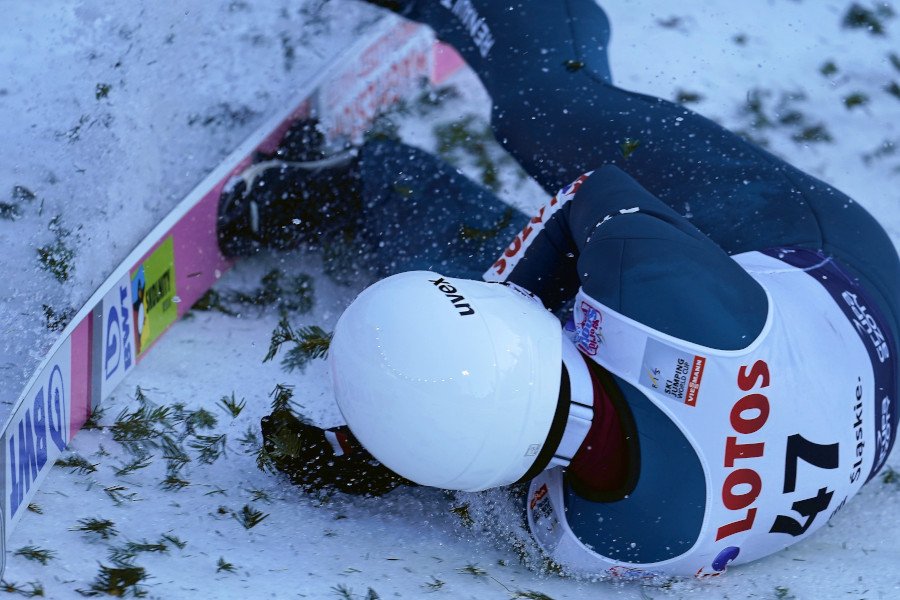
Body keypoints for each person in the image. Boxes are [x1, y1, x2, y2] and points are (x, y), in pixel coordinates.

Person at [216, 0, 899, 578]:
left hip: (827, 397)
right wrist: (491, 303)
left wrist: (395, 440)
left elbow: (484, 441)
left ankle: (364, 183)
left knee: (485, 303)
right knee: (548, 109)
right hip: (835, 273)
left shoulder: (589, 534)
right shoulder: (669, 312)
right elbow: (599, 191)